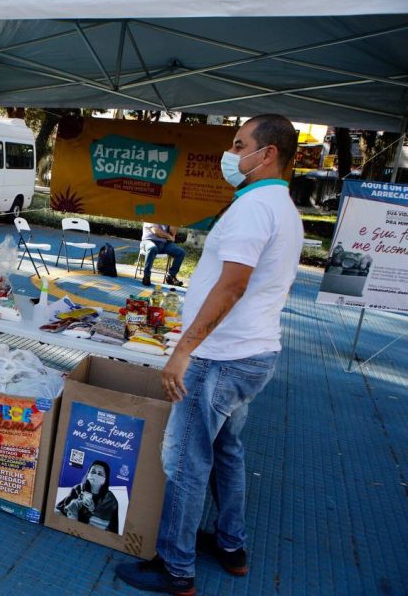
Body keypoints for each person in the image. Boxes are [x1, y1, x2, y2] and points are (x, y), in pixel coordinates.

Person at [116, 114, 303, 595]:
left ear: (268, 154)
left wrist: (183, 350)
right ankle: (230, 544)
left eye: (239, 144)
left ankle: (176, 568)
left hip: (220, 358)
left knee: (185, 461)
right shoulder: (281, 206)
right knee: (225, 450)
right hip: (252, 353)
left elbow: (233, 285)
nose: (231, 153)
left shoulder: (254, 208)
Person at [55, 460, 119, 532]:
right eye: (93, 472)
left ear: (105, 478)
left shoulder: (110, 500)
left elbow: (112, 528)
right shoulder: (78, 488)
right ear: (88, 474)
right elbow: (64, 508)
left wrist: (92, 510)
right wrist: (79, 502)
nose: (95, 475)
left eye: (100, 474)